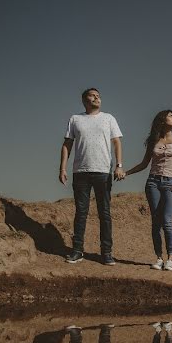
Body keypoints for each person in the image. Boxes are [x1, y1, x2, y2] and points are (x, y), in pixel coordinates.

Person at [58, 88, 126, 266]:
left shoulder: (108, 118)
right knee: (81, 212)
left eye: (99, 95)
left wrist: (119, 165)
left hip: (103, 171)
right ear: (84, 100)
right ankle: (77, 251)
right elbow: (67, 144)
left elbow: (117, 142)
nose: (97, 97)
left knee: (104, 213)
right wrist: (62, 168)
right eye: (92, 95)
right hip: (80, 172)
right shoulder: (75, 119)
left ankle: (107, 253)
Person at [122, 110, 172, 271]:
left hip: (171, 183)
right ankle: (159, 258)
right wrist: (126, 173)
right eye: (170, 115)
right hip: (153, 182)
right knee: (156, 222)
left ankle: (170, 258)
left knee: (167, 221)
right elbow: (144, 163)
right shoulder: (154, 141)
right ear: (162, 120)